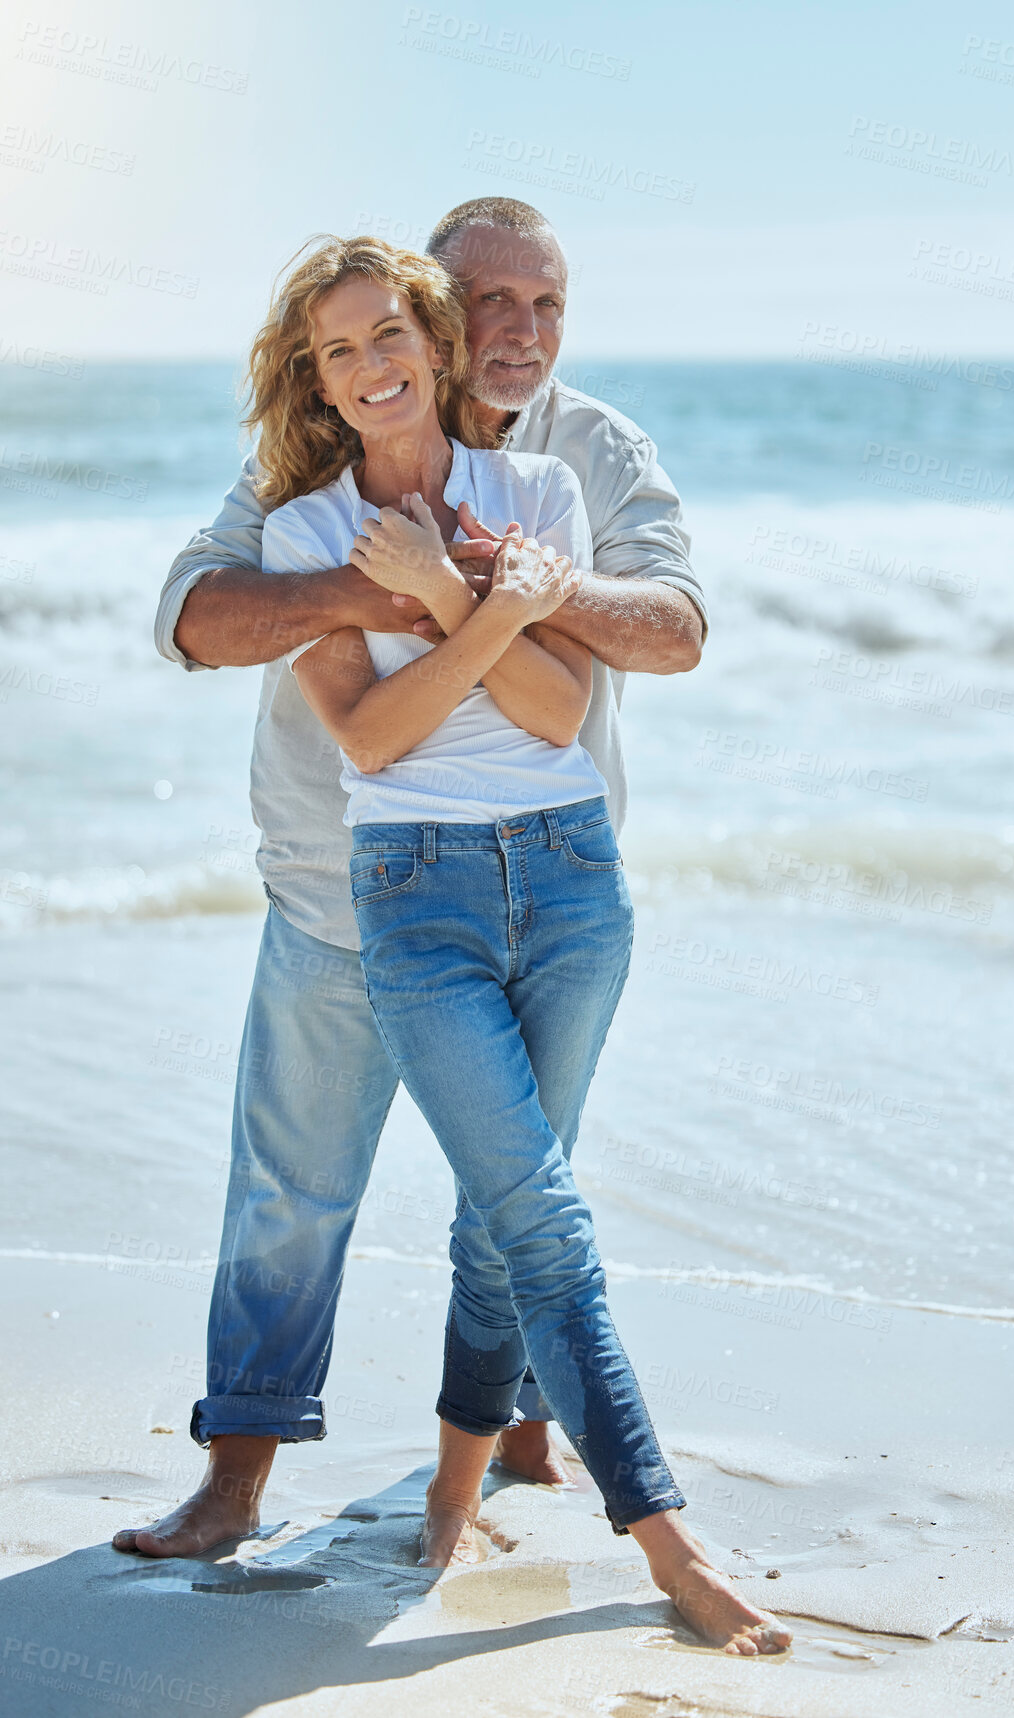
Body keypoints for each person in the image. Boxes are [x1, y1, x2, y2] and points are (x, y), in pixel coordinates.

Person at [115, 198, 706, 1562]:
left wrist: (506, 589)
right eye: (490, 301)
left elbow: (673, 630)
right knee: (292, 1186)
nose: (520, 333)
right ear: (433, 316)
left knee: (519, 1188)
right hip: (340, 889)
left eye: (547, 305)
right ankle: (236, 1476)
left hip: (536, 880)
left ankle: (515, 1433)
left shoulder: (586, 454)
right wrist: (373, 593)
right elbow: (196, 617)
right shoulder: (307, 466)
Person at [259, 234, 789, 1652]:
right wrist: (493, 608)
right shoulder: (305, 532)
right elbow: (372, 736)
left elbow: (563, 721)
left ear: (431, 344)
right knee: (545, 1220)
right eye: (338, 351)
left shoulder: (541, 491)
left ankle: (450, 1485)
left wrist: (445, 593)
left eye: (389, 337)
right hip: (415, 897)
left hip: (571, 887)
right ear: (314, 378)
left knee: (515, 1218)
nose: (371, 368)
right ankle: (670, 1543)